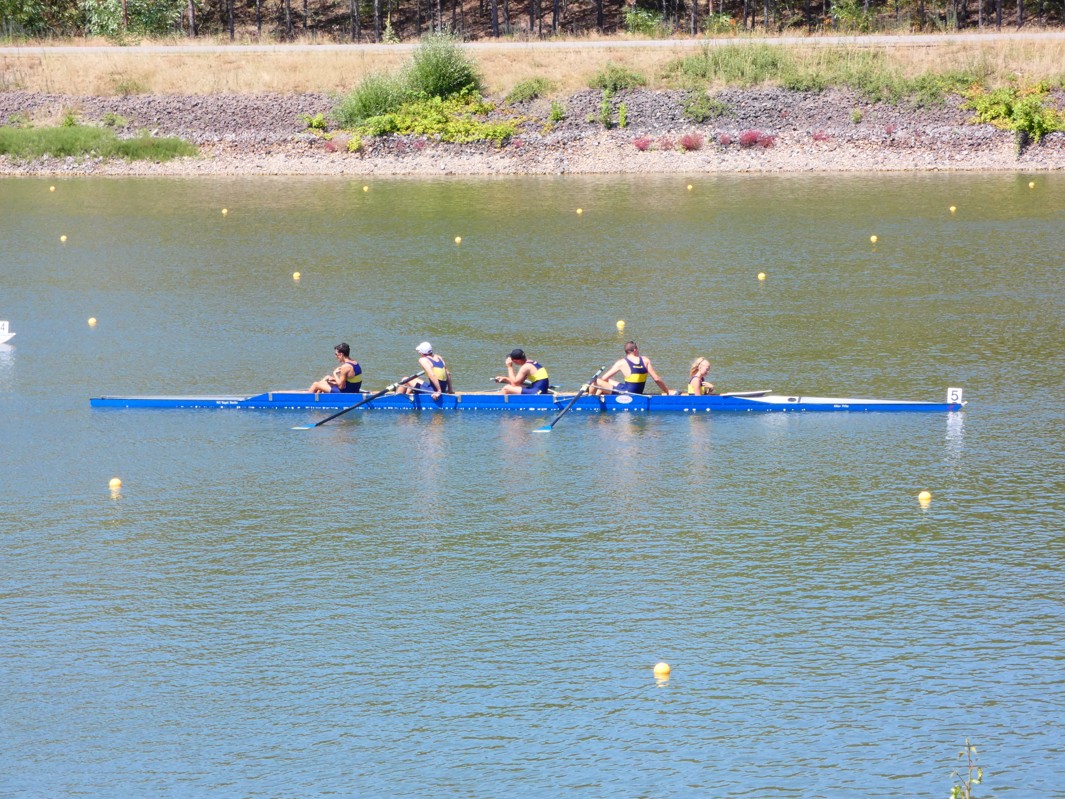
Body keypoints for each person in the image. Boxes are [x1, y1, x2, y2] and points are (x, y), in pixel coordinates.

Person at [589, 341, 670, 396]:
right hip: (637, 392)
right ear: (635, 350)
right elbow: (656, 379)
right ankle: (599, 394)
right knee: (609, 381)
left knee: (595, 380)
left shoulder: (621, 363)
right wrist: (667, 391)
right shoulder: (645, 360)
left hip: (627, 394)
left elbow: (604, 378)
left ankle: (590, 398)